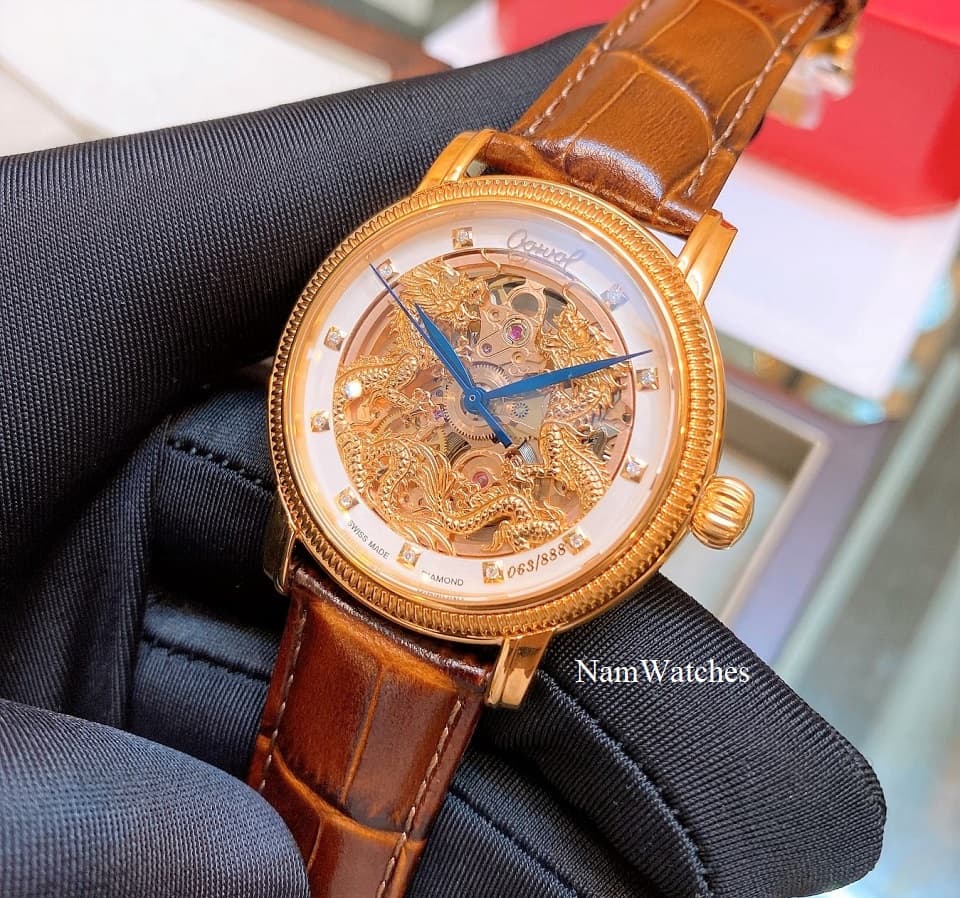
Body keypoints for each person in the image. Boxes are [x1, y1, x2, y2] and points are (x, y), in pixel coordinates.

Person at [0, 29, 883, 898]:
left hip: (467, 565)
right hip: (345, 524)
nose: (486, 402)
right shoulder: (461, 208)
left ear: (700, 501)